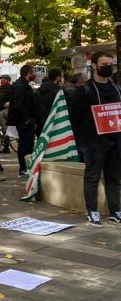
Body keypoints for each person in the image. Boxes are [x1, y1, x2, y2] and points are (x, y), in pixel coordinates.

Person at [67, 52, 121, 226]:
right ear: (94, 66)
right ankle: (93, 211)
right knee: (92, 177)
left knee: (114, 177)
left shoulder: (117, 89)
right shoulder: (84, 90)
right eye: (104, 63)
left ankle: (116, 210)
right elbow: (74, 118)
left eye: (110, 64)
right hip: (93, 144)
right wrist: (82, 142)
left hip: (115, 141)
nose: (108, 66)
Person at [8, 64, 38, 176]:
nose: (35, 74)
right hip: (24, 121)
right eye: (34, 72)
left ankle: (27, 166)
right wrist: (26, 119)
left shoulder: (24, 84)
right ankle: (23, 168)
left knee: (28, 144)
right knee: (25, 145)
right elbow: (18, 104)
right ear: (29, 73)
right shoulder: (20, 86)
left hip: (27, 119)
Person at [37, 68, 63, 136]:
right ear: (57, 78)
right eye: (61, 76)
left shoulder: (41, 89)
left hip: (42, 120)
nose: (62, 78)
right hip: (54, 121)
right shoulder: (56, 91)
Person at [0, 75, 13, 153]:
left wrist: (10, 102)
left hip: (8, 109)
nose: (1, 80)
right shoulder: (1, 88)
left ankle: (5, 130)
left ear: (8, 80)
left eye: (4, 79)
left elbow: (15, 97)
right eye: (1, 79)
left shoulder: (11, 88)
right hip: (2, 108)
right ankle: (6, 147)